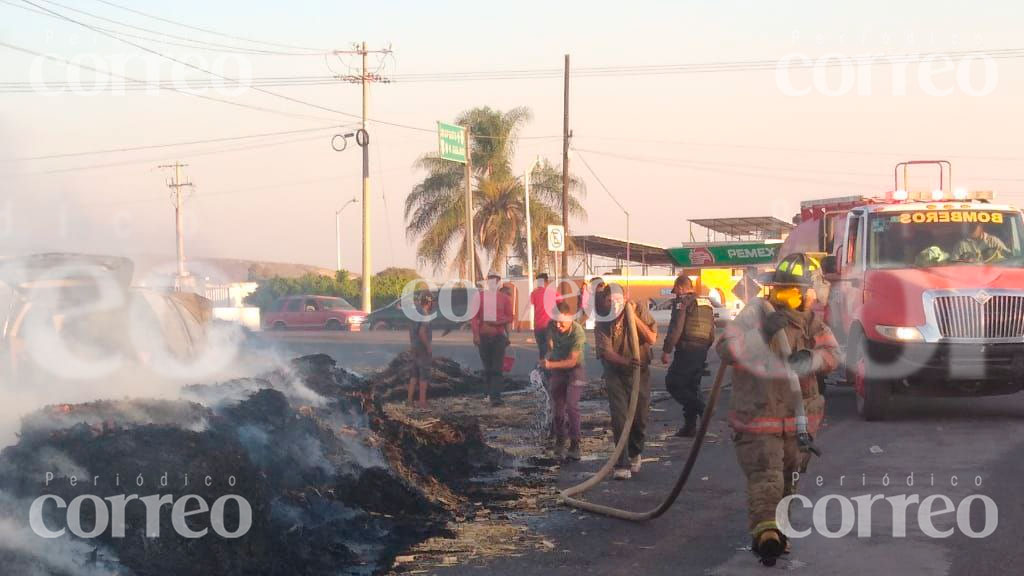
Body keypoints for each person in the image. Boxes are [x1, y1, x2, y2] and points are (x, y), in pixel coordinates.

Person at [716, 253, 840, 566]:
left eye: (795, 292)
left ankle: (776, 532)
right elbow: (725, 349)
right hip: (760, 420)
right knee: (766, 479)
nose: (788, 299)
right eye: (782, 291)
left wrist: (810, 358)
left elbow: (833, 354)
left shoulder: (813, 322)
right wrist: (763, 333)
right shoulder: (756, 315)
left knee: (788, 483)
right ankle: (766, 537)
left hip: (798, 425)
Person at [595, 283, 658, 480]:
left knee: (639, 416)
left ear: (626, 297)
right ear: (605, 301)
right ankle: (621, 463)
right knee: (620, 416)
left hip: (640, 371)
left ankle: (635, 451)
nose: (614, 304)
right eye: (610, 300)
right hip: (616, 373)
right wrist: (625, 362)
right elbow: (606, 351)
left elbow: (652, 337)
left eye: (618, 300)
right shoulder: (603, 319)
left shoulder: (639, 309)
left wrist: (633, 317)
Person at [661, 275, 716, 437]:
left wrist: (666, 350)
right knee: (692, 386)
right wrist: (705, 348)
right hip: (702, 349)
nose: (676, 294)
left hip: (687, 349)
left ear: (680, 287)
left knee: (673, 383)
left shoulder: (682, 303)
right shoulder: (706, 303)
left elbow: (676, 327)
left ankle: (703, 409)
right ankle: (690, 427)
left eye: (676, 290)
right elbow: (711, 330)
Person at [540, 299, 586, 462]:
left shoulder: (577, 332)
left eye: (561, 323)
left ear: (569, 317)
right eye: (555, 322)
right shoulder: (552, 326)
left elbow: (572, 361)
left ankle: (575, 443)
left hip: (574, 370)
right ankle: (560, 439)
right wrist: (548, 357)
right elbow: (550, 346)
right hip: (558, 369)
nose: (558, 326)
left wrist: (550, 364)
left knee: (572, 405)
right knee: (557, 407)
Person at [472, 273, 515, 405]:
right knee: (487, 367)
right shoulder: (479, 297)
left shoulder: (504, 298)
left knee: (497, 368)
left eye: (495, 282)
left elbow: (510, 317)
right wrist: (476, 335)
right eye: (490, 281)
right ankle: (487, 394)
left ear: (498, 283)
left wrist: (505, 331)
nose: (492, 284)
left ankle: (495, 396)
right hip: (483, 336)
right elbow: (474, 317)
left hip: (498, 337)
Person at [407, 292, 434, 409]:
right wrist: (428, 347)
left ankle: (409, 400)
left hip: (414, 347)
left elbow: (410, 331)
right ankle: (422, 402)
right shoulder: (424, 314)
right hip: (422, 348)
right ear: (428, 302)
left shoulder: (414, 313)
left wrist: (412, 345)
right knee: (424, 375)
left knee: (414, 375)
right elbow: (422, 332)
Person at [530, 273, 553, 359]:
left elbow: (528, 307)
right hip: (547, 325)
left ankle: (543, 367)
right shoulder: (552, 293)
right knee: (549, 347)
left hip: (540, 325)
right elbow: (561, 305)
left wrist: (520, 322)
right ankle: (548, 366)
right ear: (547, 282)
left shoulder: (534, 293)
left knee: (542, 348)